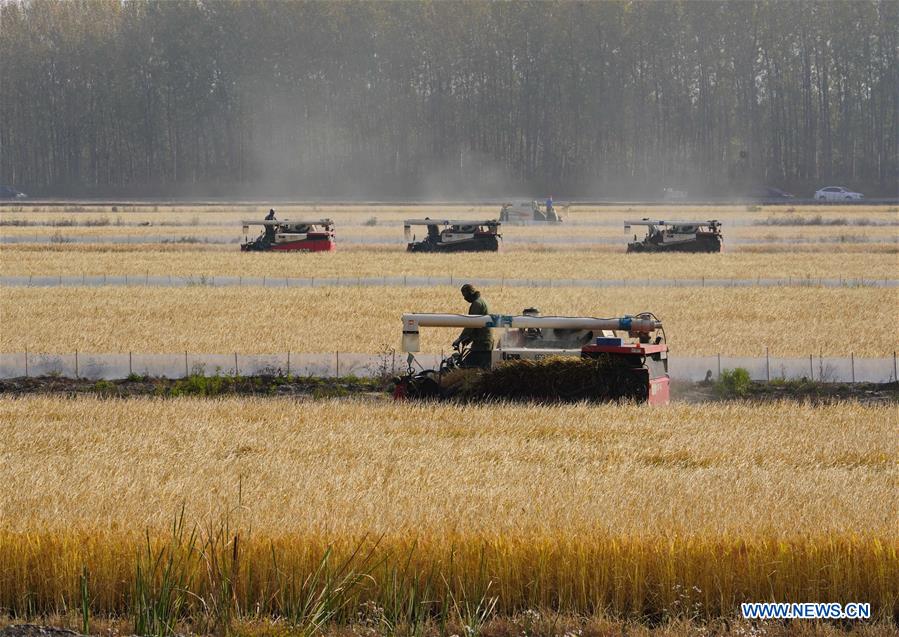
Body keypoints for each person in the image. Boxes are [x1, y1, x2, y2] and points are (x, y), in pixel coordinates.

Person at [452, 284, 493, 369]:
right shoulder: (483, 301)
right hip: (486, 343)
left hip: (481, 344)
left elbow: (471, 323)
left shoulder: (476, 304)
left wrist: (460, 339)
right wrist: (469, 339)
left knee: (465, 367)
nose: (465, 298)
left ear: (469, 293)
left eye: (465, 295)